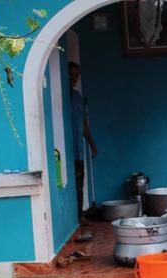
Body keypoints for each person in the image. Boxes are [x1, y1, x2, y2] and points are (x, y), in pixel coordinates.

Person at [68, 62, 98, 219]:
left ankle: (79, 217)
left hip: (78, 151)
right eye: (71, 74)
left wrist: (92, 144)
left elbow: (83, 124)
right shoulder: (60, 97)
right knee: (68, 187)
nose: (74, 78)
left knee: (79, 185)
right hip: (64, 153)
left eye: (76, 75)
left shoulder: (77, 98)